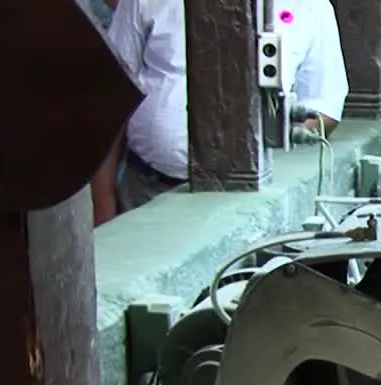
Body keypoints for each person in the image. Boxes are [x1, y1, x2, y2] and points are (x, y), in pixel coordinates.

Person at [91, 0, 349, 224]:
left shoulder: (309, 7)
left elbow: (324, 107)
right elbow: (109, 96)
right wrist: (102, 199)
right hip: (145, 188)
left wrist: (276, 137)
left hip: (247, 200)